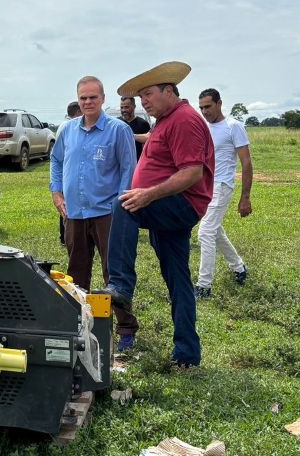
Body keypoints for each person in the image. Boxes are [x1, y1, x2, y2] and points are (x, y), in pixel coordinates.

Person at [106, 61, 214, 368]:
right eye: (140, 98)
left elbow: (193, 173)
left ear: (170, 91)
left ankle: (121, 286)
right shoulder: (165, 121)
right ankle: (187, 355)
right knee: (178, 280)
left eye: (149, 95)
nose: (144, 102)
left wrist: (147, 194)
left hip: (179, 204)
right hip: (170, 207)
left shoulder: (183, 120)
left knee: (124, 205)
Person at [50, 76, 137, 348]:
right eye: (83, 98)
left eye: (93, 97)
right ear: (78, 100)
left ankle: (126, 329)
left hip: (107, 213)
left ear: (102, 98)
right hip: (74, 213)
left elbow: (128, 168)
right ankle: (79, 324)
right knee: (76, 274)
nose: (87, 102)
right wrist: (56, 192)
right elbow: (56, 160)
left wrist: (120, 203)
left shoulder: (117, 129)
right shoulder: (67, 130)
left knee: (114, 272)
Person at [194, 89, 252, 298]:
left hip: (222, 184)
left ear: (219, 104)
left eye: (208, 106)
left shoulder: (233, 126)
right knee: (215, 230)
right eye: (201, 107)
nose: (204, 111)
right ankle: (239, 267)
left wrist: (245, 197)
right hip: (205, 185)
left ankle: (204, 286)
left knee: (205, 232)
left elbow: (246, 162)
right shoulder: (203, 127)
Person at [56, 101, 82, 245]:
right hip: (69, 172)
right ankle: (66, 237)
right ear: (78, 112)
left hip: (68, 173)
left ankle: (65, 237)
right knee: (66, 207)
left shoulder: (62, 125)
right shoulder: (69, 127)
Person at [119, 95, 152, 160]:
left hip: (137, 162)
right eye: (121, 107)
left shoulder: (143, 124)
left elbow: (148, 146)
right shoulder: (117, 123)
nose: (124, 110)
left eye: (126, 107)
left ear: (134, 106)